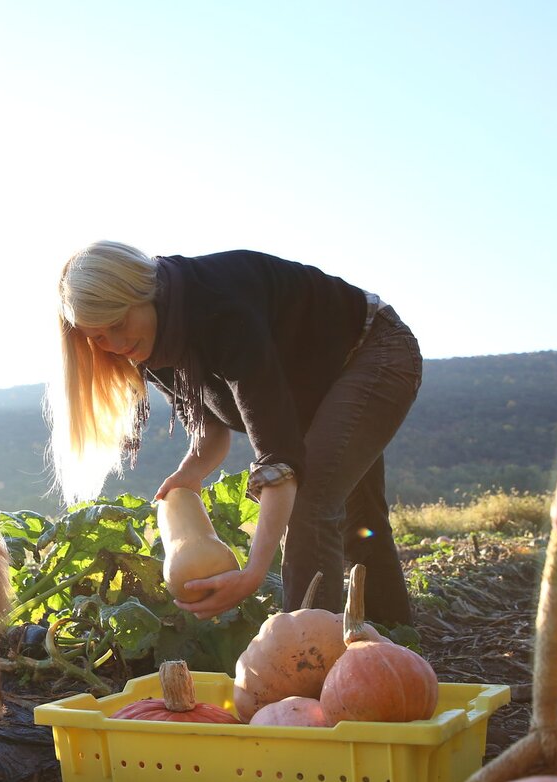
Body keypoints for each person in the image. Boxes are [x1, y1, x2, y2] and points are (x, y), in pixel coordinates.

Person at [49, 240, 422, 624]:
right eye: (97, 337)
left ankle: (306, 662)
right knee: (361, 523)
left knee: (311, 502)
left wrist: (252, 574)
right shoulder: (151, 346)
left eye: (118, 324)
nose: (114, 344)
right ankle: (394, 648)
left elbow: (279, 460)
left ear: (145, 294)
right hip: (315, 389)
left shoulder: (219, 309)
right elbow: (211, 428)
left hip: (373, 350)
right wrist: (189, 472)